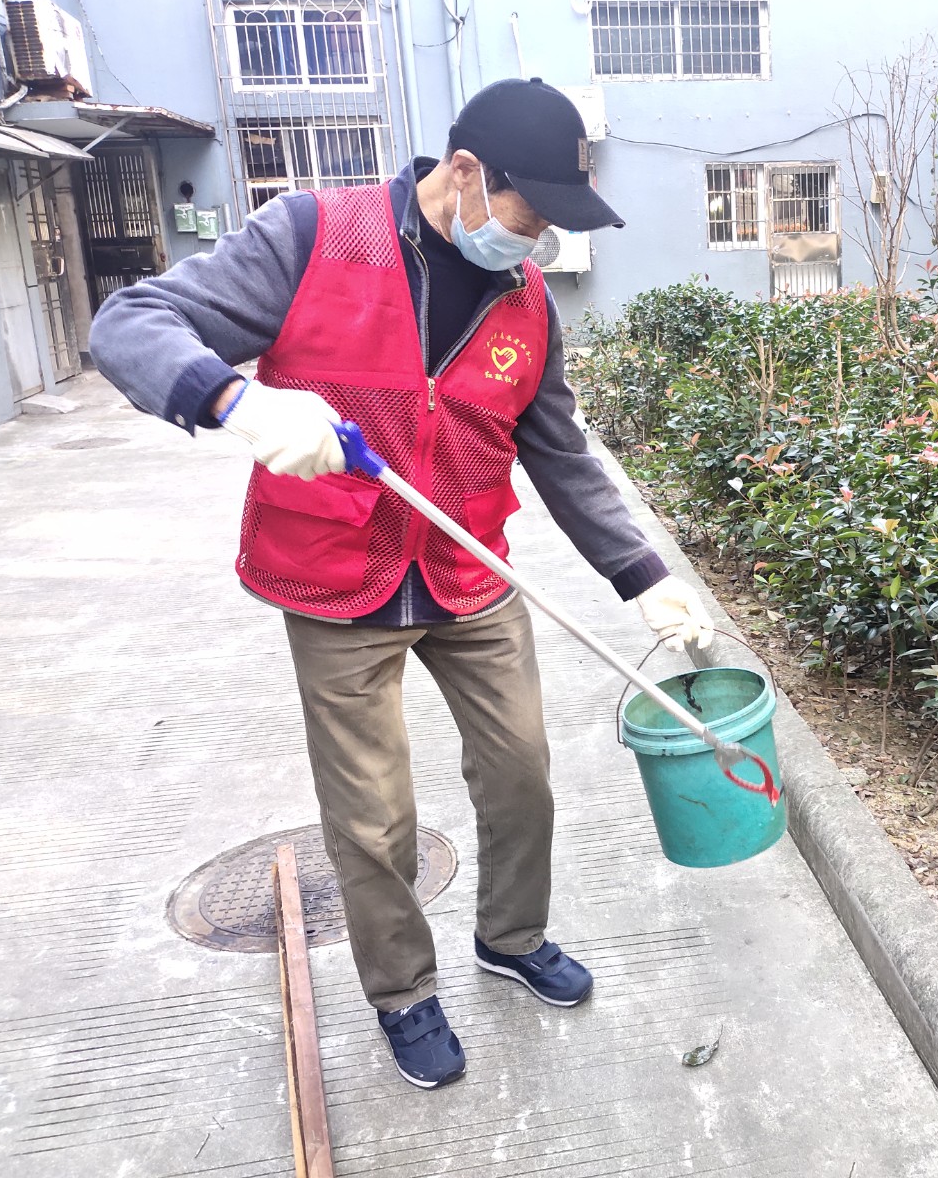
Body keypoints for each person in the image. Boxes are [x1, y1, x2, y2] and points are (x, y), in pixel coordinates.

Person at [89, 78, 715, 1090]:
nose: (538, 240)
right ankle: (403, 991)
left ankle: (510, 937)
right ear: (464, 172)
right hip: (338, 581)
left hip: (470, 572)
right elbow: (131, 319)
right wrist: (235, 400)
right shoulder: (314, 236)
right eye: (530, 214)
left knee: (522, 774)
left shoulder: (526, 304)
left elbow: (560, 454)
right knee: (374, 817)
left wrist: (642, 576)